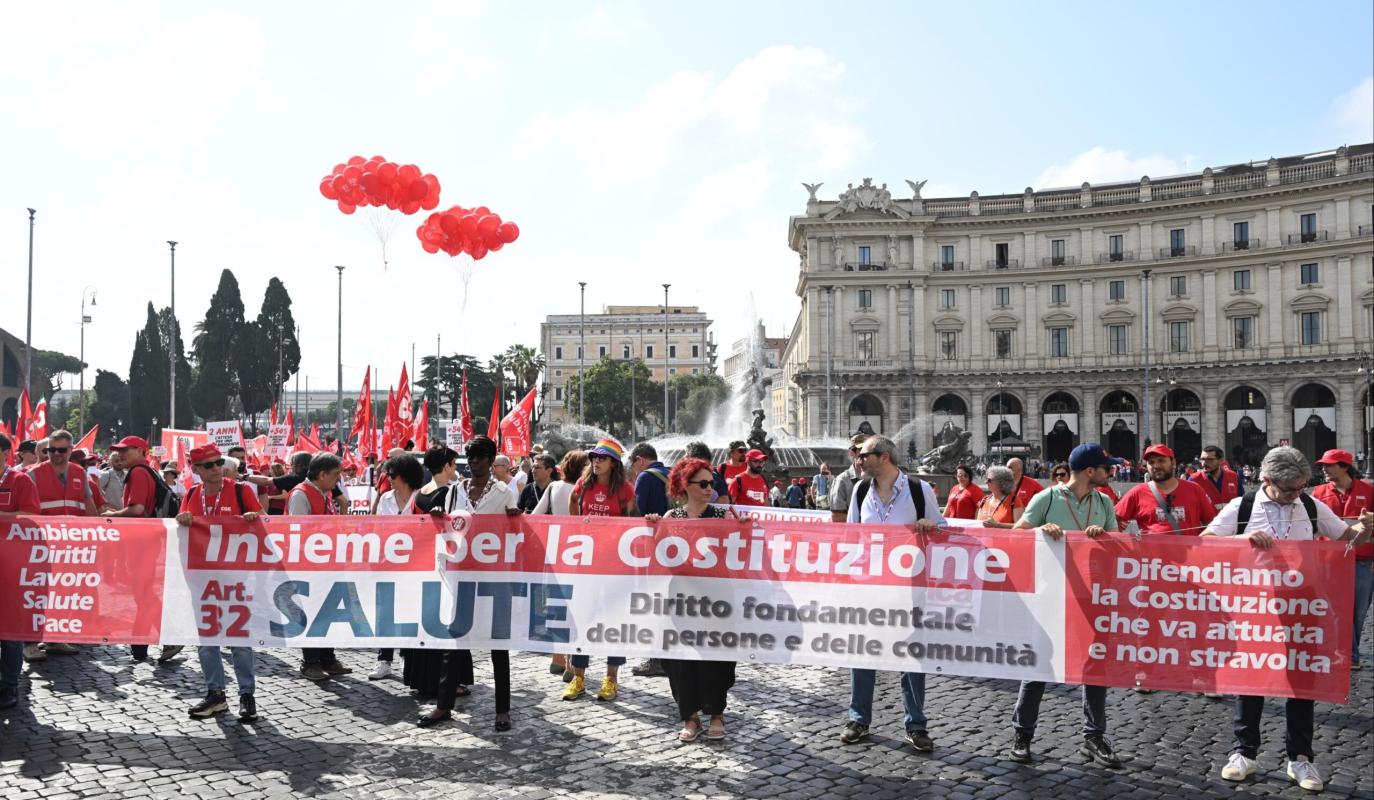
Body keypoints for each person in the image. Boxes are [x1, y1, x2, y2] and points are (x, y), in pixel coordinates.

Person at [1202, 446, 1373, 792]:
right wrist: (1242, 538)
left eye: (1301, 487)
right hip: (1254, 605)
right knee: (1251, 679)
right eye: (1290, 489)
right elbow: (1206, 543)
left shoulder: (1309, 505)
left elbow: (1348, 540)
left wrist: (1366, 528)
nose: (1297, 494)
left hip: (1301, 605)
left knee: (1301, 683)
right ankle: (1244, 753)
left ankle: (1300, 757)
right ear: (1267, 480)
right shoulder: (1244, 506)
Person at [1008, 443, 1123, 767]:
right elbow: (1016, 537)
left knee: (1095, 666)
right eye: (1105, 467)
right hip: (1050, 595)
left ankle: (1094, 736)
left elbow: (1116, 545)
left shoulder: (1104, 501)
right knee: (1038, 667)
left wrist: (1104, 537)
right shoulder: (1047, 498)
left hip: (1091, 596)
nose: (1110, 471)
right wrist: (1040, 532)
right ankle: (1023, 733)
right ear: (1090, 471)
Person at [841, 435, 944, 753]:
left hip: (908, 587)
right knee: (862, 653)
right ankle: (858, 718)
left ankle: (916, 724)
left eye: (864, 454)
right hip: (869, 587)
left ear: (884, 457)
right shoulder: (860, 490)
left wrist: (930, 525)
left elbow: (942, 530)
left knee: (911, 656)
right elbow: (851, 537)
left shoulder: (918, 490)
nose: (858, 459)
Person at [419, 436, 517, 732]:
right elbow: (446, 526)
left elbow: (515, 533)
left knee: (499, 644)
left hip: (493, 577)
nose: (474, 462)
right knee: (454, 641)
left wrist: (515, 520)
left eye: (480, 457)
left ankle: (502, 710)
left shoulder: (504, 493)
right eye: (471, 457)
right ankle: (443, 705)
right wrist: (437, 515)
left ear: (491, 460)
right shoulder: (453, 492)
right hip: (460, 575)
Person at [642, 457, 736, 742]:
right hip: (682, 598)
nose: (710, 488)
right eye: (704, 483)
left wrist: (745, 527)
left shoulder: (724, 516)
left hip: (716, 598)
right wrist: (652, 528)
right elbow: (654, 556)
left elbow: (743, 550)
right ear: (686, 485)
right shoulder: (671, 519)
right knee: (682, 660)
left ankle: (717, 713)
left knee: (717, 657)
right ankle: (690, 716)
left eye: (712, 483)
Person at [175, 444, 263, 722]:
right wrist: (182, 520)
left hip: (236, 578)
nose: (216, 468)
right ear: (196, 469)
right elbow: (181, 528)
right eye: (209, 465)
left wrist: (253, 518)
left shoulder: (241, 490)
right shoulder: (191, 494)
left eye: (218, 463)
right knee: (207, 641)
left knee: (238, 640)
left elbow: (265, 525)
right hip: (203, 579)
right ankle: (216, 694)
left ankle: (247, 694)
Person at [563, 437, 637, 702]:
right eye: (594, 457)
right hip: (586, 565)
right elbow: (573, 504)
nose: (596, 461)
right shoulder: (584, 485)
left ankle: (611, 679)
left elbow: (633, 523)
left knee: (613, 622)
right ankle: (578, 679)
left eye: (602, 458)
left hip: (615, 567)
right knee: (582, 619)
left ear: (614, 463)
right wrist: (579, 530)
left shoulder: (625, 489)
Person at [101, 436, 181, 662]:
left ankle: (169, 636)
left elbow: (137, 510)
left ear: (141, 450)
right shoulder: (148, 471)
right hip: (147, 541)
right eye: (118, 450)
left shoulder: (138, 472)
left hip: (141, 542)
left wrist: (112, 516)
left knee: (143, 594)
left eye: (126, 450)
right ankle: (140, 645)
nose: (120, 454)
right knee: (143, 594)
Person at [286, 453, 351, 681]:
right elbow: (299, 532)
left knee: (327, 612)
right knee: (312, 612)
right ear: (321, 474)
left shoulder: (324, 493)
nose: (338, 479)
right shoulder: (300, 495)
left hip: (326, 565)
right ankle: (310, 661)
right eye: (335, 475)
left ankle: (327, 658)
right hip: (308, 566)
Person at [1310, 449, 1374, 668]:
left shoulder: (1369, 490)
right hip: (1329, 559)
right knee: (1337, 610)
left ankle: (1349, 651)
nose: (1324, 469)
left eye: (1329, 465)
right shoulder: (1317, 492)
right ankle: (1350, 656)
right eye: (1323, 465)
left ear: (1345, 466)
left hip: (1362, 559)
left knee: (1358, 611)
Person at [530, 449, 588, 680]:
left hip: (555, 552)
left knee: (556, 602)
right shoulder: (583, 490)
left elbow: (535, 515)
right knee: (576, 606)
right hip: (580, 553)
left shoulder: (554, 487)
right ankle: (572, 663)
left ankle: (557, 655)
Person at [369, 453, 425, 681]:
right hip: (389, 564)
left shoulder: (421, 498)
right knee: (386, 612)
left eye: (392, 474)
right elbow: (380, 529)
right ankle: (384, 659)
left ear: (406, 476)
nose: (388, 478)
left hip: (416, 565)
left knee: (410, 612)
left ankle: (406, 656)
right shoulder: (385, 499)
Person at [0, 433, 40, 708]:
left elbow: (31, 517)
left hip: (12, 570)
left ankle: (9, 684)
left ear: (4, 454)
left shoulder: (20, 480)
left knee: (10, 630)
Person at [629, 442, 671, 679]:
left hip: (653, 547)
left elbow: (637, 511)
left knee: (654, 603)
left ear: (639, 460)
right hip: (674, 549)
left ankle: (657, 659)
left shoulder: (645, 478)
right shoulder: (672, 474)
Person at [1115, 444, 1216, 535]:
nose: (1156, 466)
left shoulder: (1195, 489)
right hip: (1153, 555)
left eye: (1161, 460)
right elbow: (1113, 520)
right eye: (1151, 462)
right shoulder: (1137, 493)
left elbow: (1211, 522)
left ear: (1173, 462)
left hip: (1191, 554)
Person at [30, 430, 98, 517]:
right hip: (47, 529)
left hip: (75, 529)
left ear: (71, 449)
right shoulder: (33, 474)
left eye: (61, 450)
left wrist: (94, 526)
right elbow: (27, 509)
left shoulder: (80, 472)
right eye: (52, 449)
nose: (56, 453)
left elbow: (89, 503)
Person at [243, 451, 311, 515]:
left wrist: (243, 476)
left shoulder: (294, 477)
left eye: (292, 464)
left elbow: (265, 481)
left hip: (299, 514)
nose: (291, 467)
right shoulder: (318, 476)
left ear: (298, 465)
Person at [829, 434, 870, 522]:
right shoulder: (842, 480)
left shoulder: (878, 477)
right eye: (861, 449)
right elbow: (837, 517)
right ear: (852, 453)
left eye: (869, 449)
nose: (866, 453)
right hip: (853, 534)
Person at [1190, 445, 1243, 510]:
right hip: (1208, 520)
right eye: (1202, 459)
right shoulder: (1194, 479)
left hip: (1231, 519)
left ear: (1221, 461)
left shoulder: (1233, 476)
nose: (1204, 463)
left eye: (1209, 459)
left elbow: (1241, 501)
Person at [98, 447, 127, 511]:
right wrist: (106, 505)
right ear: (111, 463)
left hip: (125, 513)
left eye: (121, 460)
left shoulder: (127, 475)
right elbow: (97, 492)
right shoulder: (107, 475)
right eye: (116, 461)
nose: (120, 463)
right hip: (112, 513)